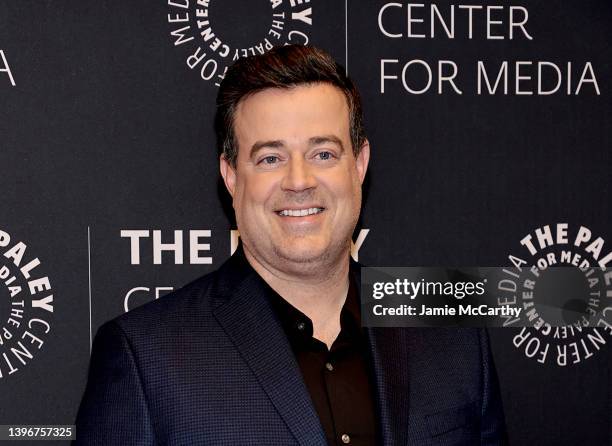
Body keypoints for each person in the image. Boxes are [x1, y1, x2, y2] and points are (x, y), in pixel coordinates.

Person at [75, 45, 507, 445]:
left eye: (323, 153)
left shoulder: (450, 326)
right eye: (270, 158)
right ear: (231, 176)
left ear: (359, 164)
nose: (299, 181)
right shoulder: (145, 356)